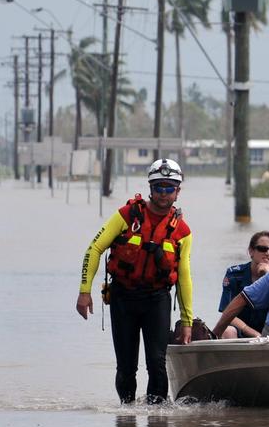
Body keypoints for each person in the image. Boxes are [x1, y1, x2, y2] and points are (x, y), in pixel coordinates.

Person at [75, 157, 194, 404]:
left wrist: (186, 320)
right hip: (123, 298)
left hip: (157, 300)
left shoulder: (182, 232)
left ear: (178, 192)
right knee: (126, 367)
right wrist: (84, 291)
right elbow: (94, 249)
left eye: (169, 187)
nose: (163, 193)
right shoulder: (127, 215)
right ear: (150, 188)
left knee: (157, 364)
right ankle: (126, 418)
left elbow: (184, 277)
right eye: (158, 187)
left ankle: (156, 425)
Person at [217, 231, 269, 338]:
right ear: (251, 251)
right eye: (262, 249)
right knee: (228, 331)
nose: (268, 253)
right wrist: (251, 332)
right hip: (241, 329)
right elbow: (227, 313)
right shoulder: (234, 275)